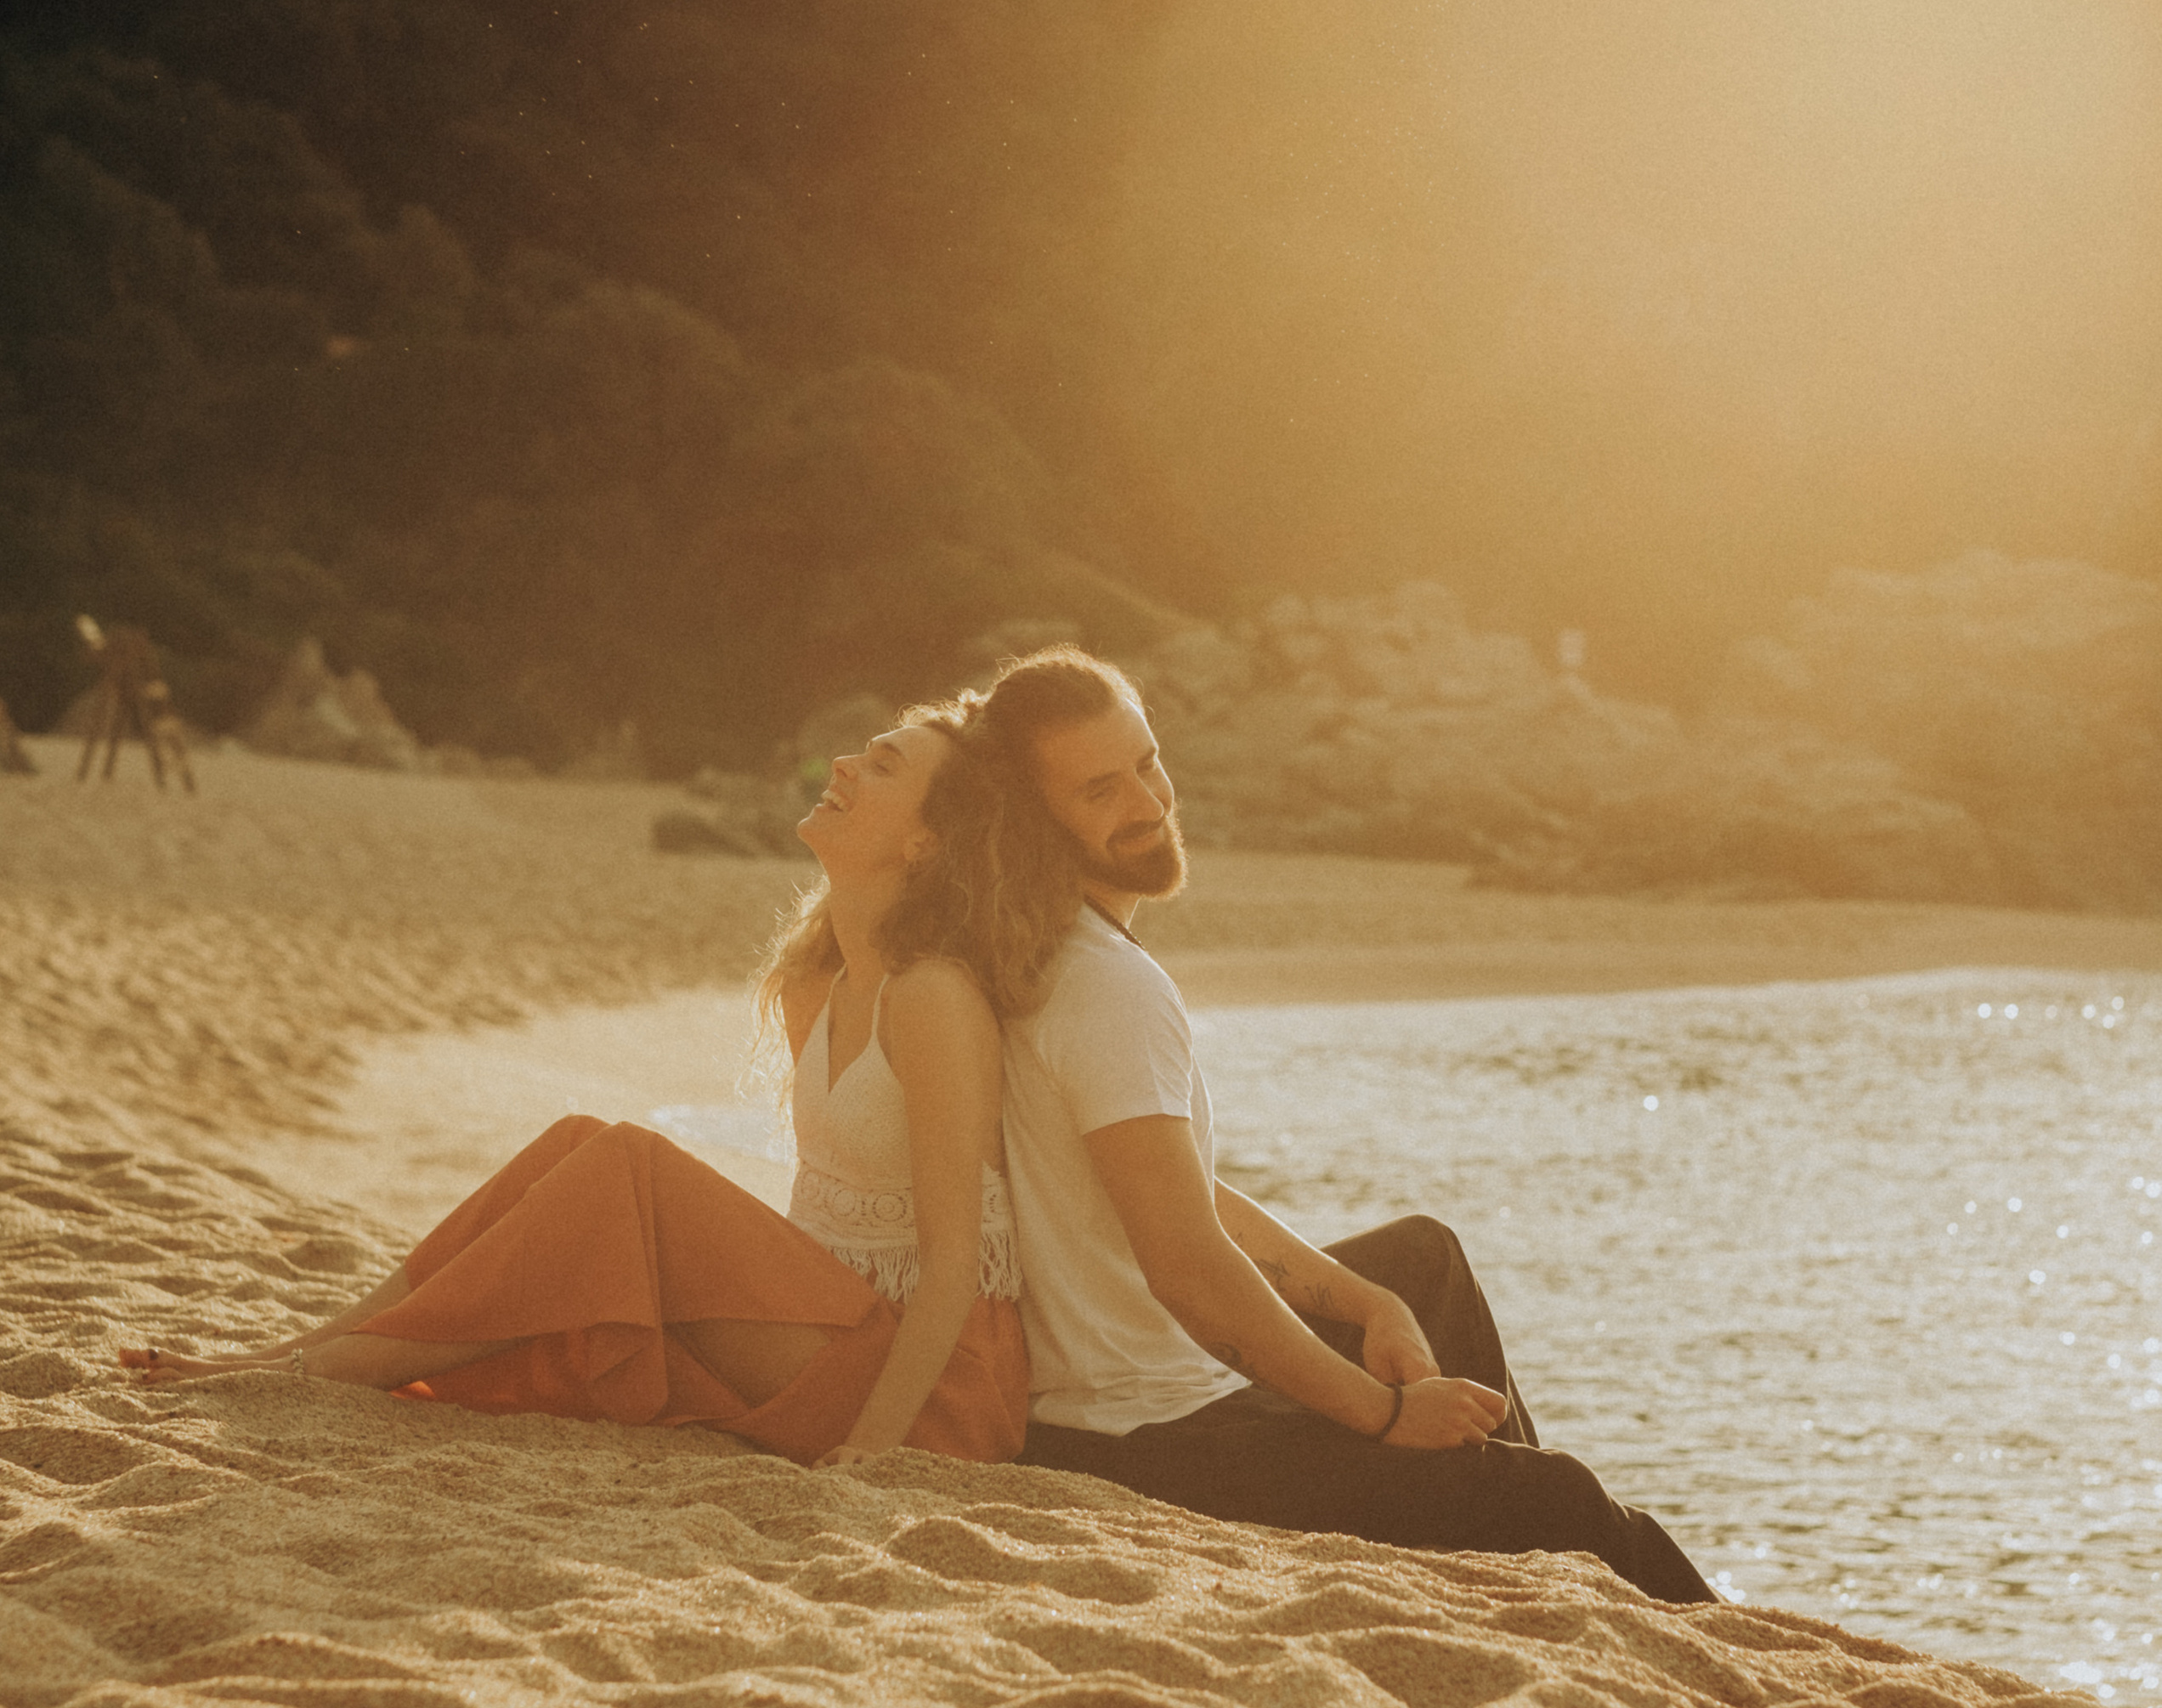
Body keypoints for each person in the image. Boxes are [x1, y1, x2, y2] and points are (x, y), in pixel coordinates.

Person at [956, 648, 1716, 1608]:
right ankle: (1519, 1534)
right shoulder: (1109, 990)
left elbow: (1168, 1184)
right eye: (1100, 790)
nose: (1147, 802)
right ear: (1034, 818)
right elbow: (1186, 1267)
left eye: (1147, 764)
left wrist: (1367, 1305)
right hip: (1145, 1442)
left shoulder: (1044, 947)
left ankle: (1477, 1514)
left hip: (1106, 1403)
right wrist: (1388, 1414)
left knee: (1418, 1263)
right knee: (1566, 1502)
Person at [122, 715, 1067, 1468]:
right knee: (579, 1141)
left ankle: (322, 1371)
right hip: (838, 1331)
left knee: (626, 1163)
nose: (845, 762)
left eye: (885, 764)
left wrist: (872, 1452)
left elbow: (950, 1269)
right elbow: (824, 1220)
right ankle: (306, 1349)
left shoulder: (934, 995)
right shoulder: (819, 984)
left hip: (934, 1392)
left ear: (922, 844)